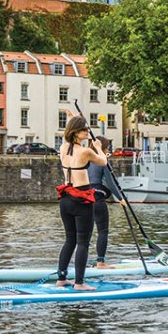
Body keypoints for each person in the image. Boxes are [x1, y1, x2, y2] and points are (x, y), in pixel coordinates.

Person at [56, 116, 108, 290]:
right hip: (81, 199)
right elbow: (103, 161)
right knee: (83, 242)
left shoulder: (63, 148)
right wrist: (99, 148)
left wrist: (73, 118)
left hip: (65, 199)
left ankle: (61, 278)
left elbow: (71, 134)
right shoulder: (85, 151)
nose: (88, 131)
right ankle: (79, 282)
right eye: (84, 129)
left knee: (69, 240)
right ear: (76, 133)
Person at [87, 135, 126, 268]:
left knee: (85, 232)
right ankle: (100, 261)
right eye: (107, 146)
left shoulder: (83, 159)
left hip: (83, 198)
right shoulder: (102, 161)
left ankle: (82, 262)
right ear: (103, 147)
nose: (108, 148)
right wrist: (121, 198)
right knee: (102, 231)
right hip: (97, 199)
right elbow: (110, 183)